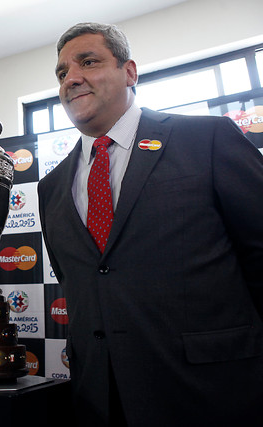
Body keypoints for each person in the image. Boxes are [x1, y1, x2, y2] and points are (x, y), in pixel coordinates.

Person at [38, 22, 263, 426]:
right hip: (100, 400)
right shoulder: (49, 188)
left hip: (215, 394)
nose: (71, 78)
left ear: (129, 72)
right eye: (62, 72)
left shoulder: (206, 139)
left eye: (88, 62)